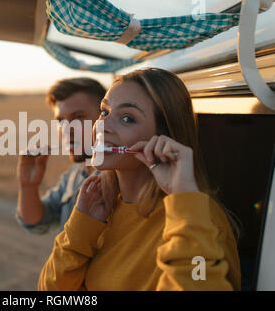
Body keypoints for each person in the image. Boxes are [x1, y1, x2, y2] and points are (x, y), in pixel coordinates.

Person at [38, 68, 241, 290]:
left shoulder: (199, 219)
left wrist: (184, 199)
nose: (101, 126)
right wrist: (80, 231)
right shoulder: (97, 206)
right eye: (104, 112)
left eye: (127, 118)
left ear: (164, 138)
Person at [16, 78, 106, 234]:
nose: (67, 129)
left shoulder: (121, 181)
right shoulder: (73, 175)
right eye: (60, 121)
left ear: (104, 118)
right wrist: (28, 186)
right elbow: (36, 223)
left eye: (78, 117)